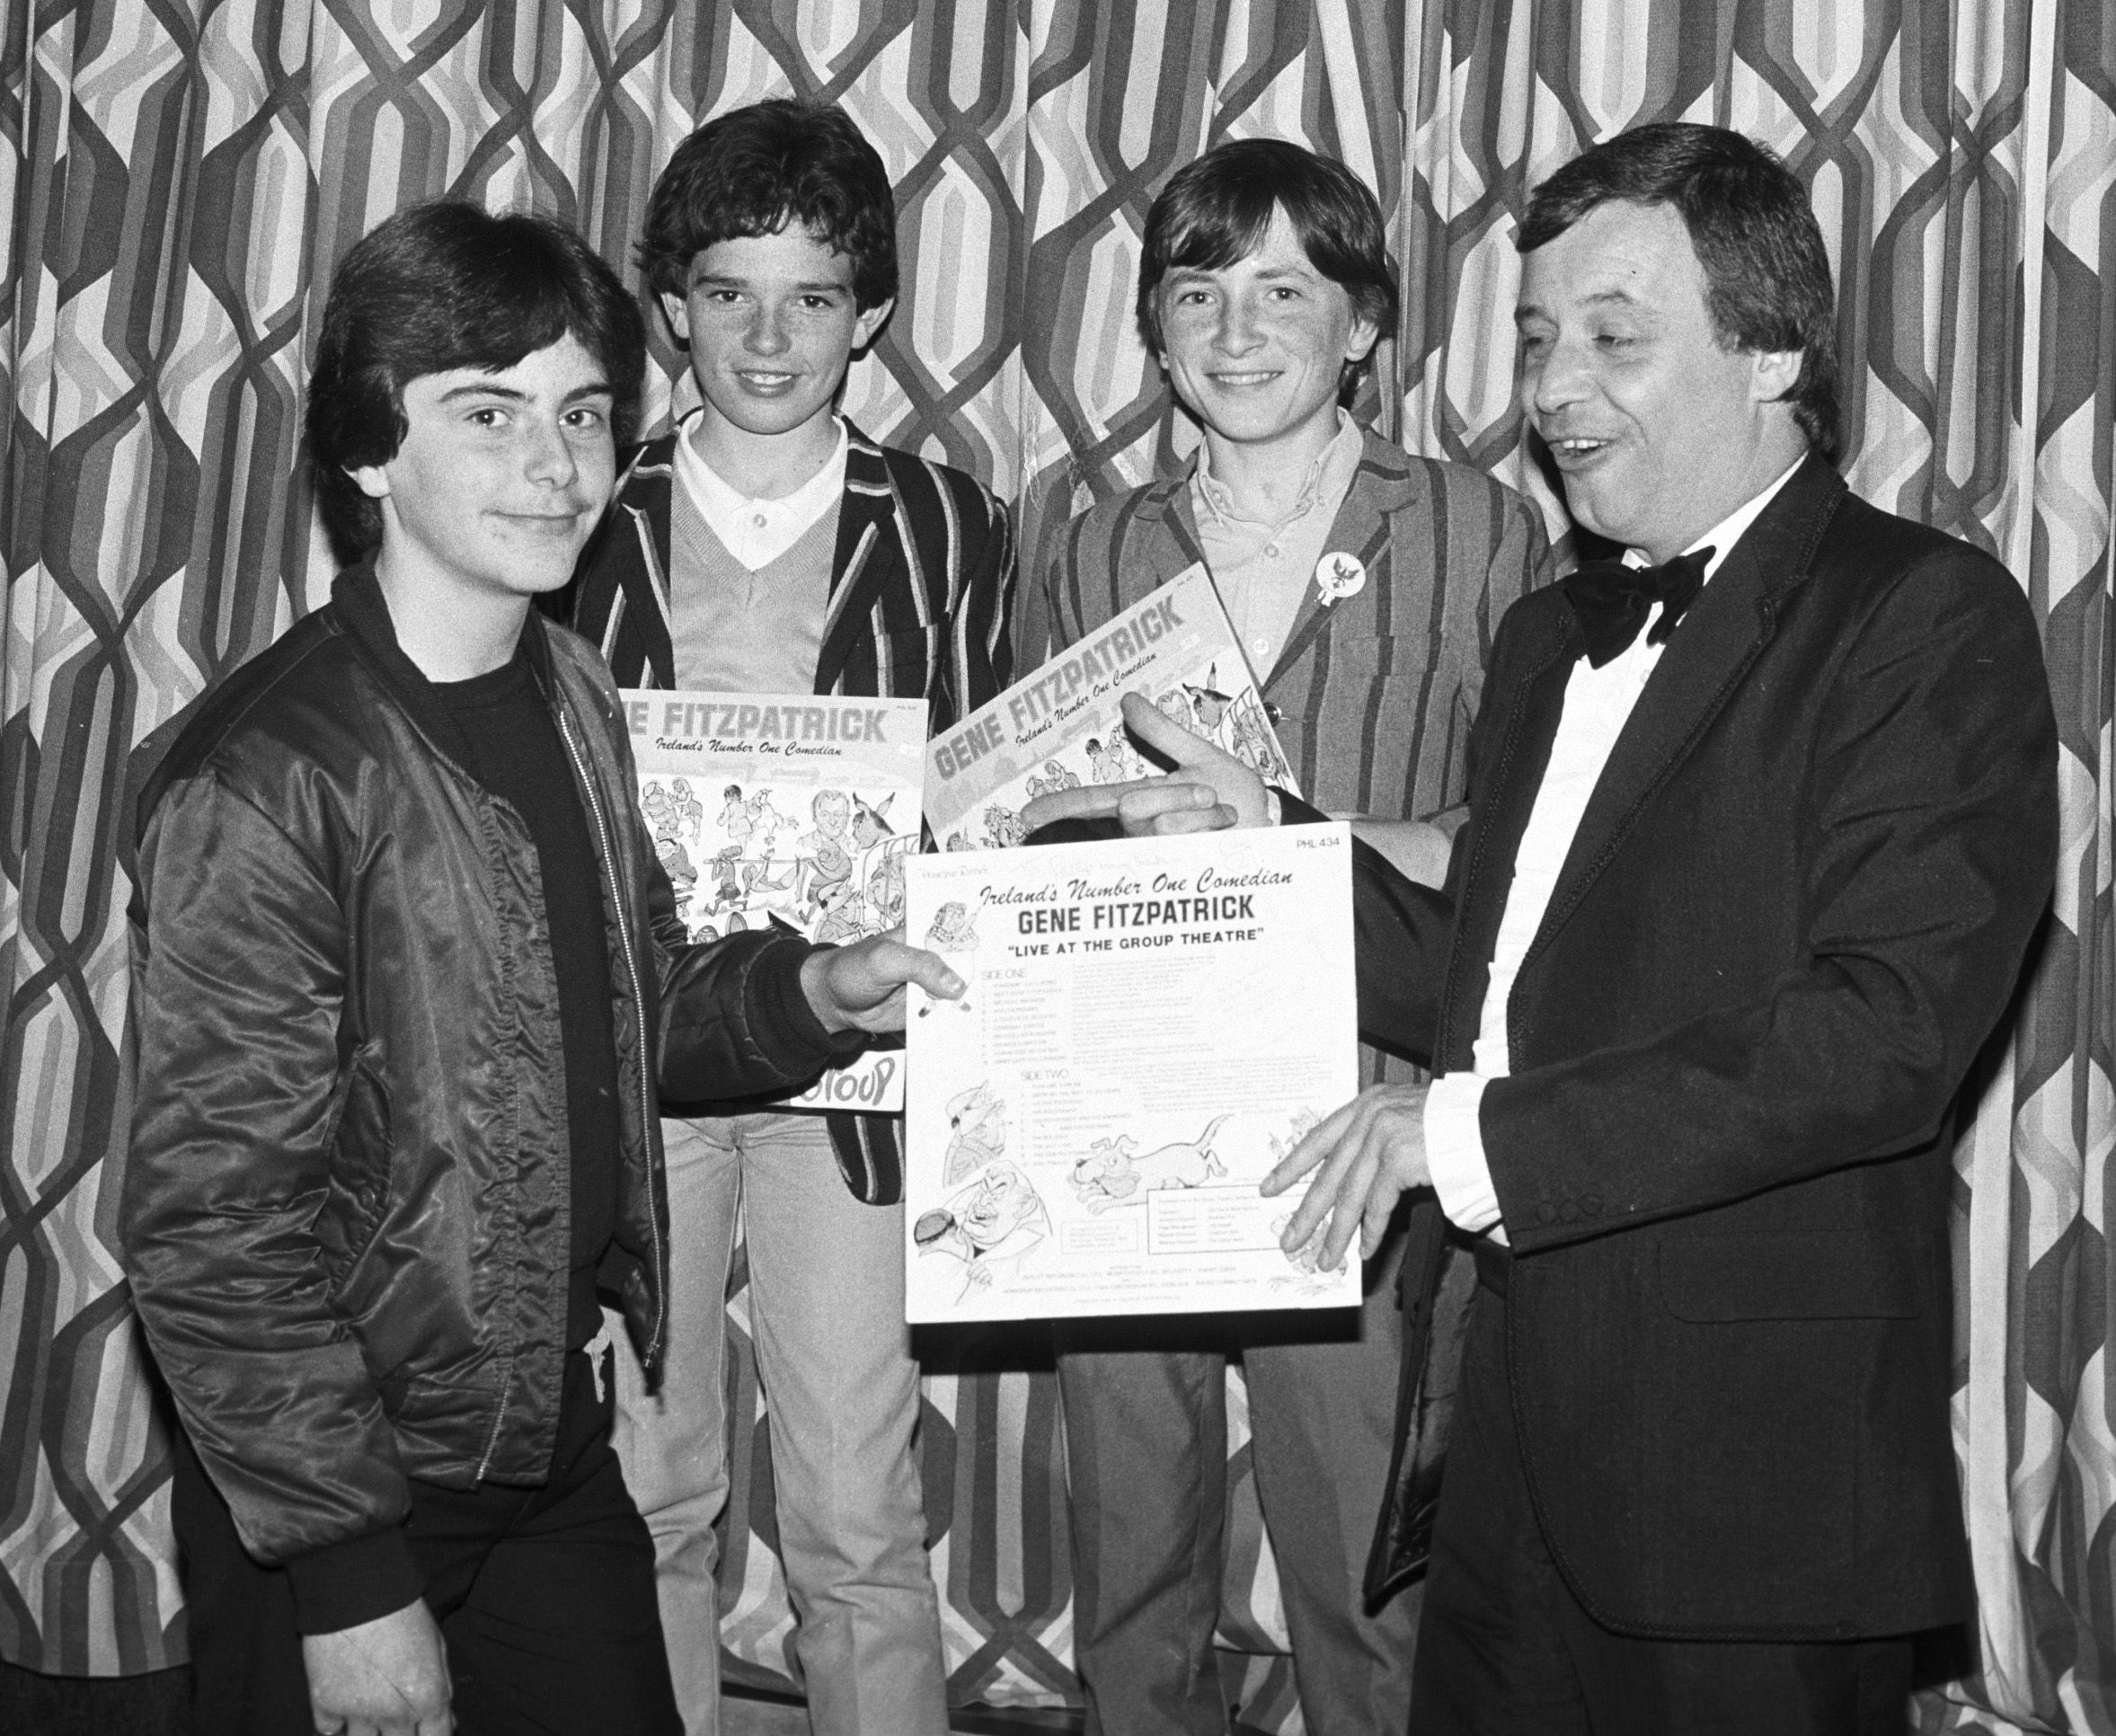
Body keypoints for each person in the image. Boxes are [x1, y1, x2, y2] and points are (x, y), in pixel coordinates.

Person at [1054, 122, 2059, 1734]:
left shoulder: (1922, 616)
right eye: (1534, 339)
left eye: (1612, 335)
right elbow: (1488, 974)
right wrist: (1276, 849)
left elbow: (1880, 1039)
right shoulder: (1547, 635)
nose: (1555, 385)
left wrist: (1467, 1139)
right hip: (1500, 1439)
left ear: (1775, 350)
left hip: (1746, 1474)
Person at [120, 202, 961, 1736]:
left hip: (548, 1435)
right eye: (489, 412)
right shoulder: (265, 779)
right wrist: (353, 1580)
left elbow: (627, 999)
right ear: (371, 449)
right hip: (351, 1483)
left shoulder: (572, 687)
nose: (558, 463)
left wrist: (814, 992)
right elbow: (210, 1231)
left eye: (582, 413)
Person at [1025, 137, 1549, 1735]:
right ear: (1158, 330)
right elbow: (1042, 829)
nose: (1239, 331)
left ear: (1366, 326)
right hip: (1128, 1108)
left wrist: (1291, 836)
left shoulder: (1479, 531)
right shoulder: (1082, 537)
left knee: (1362, 1585)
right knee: (1127, 1582)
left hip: (1357, 1112)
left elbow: (1520, 847)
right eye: (1200, 292)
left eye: (1284, 290)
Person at [568, 99, 1014, 1736]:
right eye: (731, 292)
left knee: (853, 1504)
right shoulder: (580, 505)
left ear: (872, 317)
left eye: (813, 297)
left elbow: (977, 782)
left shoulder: (950, 521)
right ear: (670, 304)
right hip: (644, 1057)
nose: (769, 335)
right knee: (653, 1486)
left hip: (857, 1079)